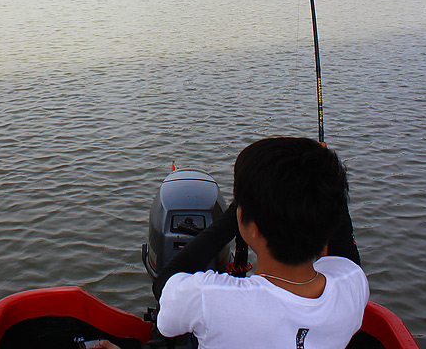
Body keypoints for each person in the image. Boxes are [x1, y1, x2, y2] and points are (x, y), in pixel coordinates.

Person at [148, 137, 369, 349]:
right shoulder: (351, 285)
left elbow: (166, 282)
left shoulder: (208, 299)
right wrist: (327, 181)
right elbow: (343, 249)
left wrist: (240, 210)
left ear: (253, 227)